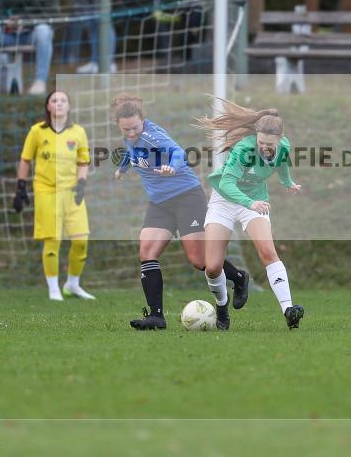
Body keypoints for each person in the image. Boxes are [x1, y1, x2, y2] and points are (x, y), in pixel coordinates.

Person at [110, 94, 249, 330]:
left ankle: (238, 277)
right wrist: (122, 169)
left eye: (135, 127)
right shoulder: (130, 137)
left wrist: (171, 168)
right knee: (147, 251)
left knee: (200, 260)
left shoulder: (153, 136)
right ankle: (156, 316)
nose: (131, 133)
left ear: (143, 120)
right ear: (119, 126)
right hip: (159, 204)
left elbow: (177, 153)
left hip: (186, 197)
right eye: (126, 129)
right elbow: (131, 152)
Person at [195, 98, 304, 331]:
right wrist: (249, 203)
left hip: (254, 202)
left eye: (270, 144)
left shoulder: (283, 147)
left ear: (280, 139)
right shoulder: (244, 149)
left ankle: (288, 309)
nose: (265, 147)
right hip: (225, 199)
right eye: (262, 142)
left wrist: (288, 182)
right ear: (256, 136)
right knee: (212, 266)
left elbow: (282, 165)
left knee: (267, 251)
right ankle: (222, 307)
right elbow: (226, 183)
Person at [13, 90, 94, 302]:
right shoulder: (37, 132)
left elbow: (83, 161)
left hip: (71, 191)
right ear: (48, 106)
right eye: (54, 100)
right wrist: (21, 187)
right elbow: (25, 160)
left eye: (63, 100)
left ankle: (73, 284)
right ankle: (53, 289)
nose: (59, 104)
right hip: (46, 190)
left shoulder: (78, 132)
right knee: (52, 241)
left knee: (81, 242)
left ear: (69, 106)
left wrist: (82, 184)